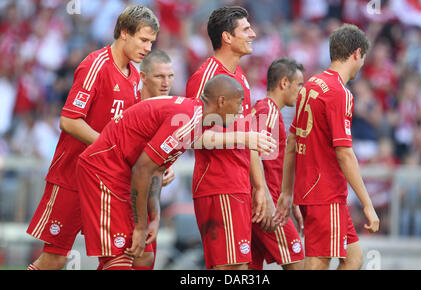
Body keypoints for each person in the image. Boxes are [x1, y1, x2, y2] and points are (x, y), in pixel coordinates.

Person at [76, 74, 274, 270]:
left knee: (143, 257)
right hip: (103, 172)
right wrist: (140, 225)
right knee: (119, 257)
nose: (240, 111)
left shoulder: (195, 118)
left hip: (122, 174)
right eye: (239, 103)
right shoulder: (188, 120)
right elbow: (143, 169)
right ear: (221, 101)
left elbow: (155, 169)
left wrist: (154, 216)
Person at [26, 5, 160, 270]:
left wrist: (154, 162)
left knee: (122, 256)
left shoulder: (134, 77)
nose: (148, 48)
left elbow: (128, 133)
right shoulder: (95, 65)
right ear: (124, 32)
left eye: (151, 42)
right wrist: (110, 147)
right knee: (55, 258)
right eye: (143, 40)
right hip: (72, 176)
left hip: (107, 182)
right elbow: (68, 120)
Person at [274, 24, 380, 270]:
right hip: (326, 193)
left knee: (353, 259)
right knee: (317, 264)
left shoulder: (310, 85)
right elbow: (344, 154)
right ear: (356, 54)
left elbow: (292, 142)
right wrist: (367, 204)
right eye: (363, 58)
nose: (362, 64)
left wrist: (287, 191)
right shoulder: (339, 93)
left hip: (313, 190)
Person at [185, 6, 269, 270]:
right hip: (218, 185)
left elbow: (249, 136)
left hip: (238, 186)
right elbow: (192, 135)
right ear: (227, 37)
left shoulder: (240, 78)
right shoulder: (206, 78)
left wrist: (259, 186)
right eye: (246, 29)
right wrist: (244, 138)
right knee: (233, 269)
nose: (253, 34)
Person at [249, 58, 305, 270]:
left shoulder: (263, 109)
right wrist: (269, 201)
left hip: (262, 203)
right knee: (299, 266)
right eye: (299, 84)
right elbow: (253, 153)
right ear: (284, 83)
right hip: (268, 206)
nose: (301, 90)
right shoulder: (268, 111)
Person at [133, 49, 176, 269]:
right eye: (159, 76)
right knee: (138, 259)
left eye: (170, 76)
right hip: (121, 197)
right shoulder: (130, 106)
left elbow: (154, 172)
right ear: (143, 77)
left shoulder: (167, 111)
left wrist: (155, 216)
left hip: (146, 204)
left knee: (143, 261)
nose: (165, 82)